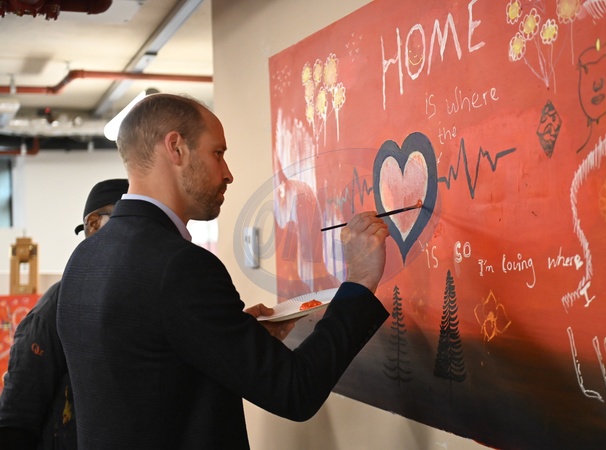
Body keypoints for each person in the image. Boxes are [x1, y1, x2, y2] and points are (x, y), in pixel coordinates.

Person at [56, 93, 390, 449]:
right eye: (218, 153)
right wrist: (359, 281)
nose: (228, 174)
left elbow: (149, 368)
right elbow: (295, 391)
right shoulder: (181, 266)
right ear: (176, 148)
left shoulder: (83, 258)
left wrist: (233, 338)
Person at [0, 178, 130, 449]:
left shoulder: (143, 297)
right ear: (94, 224)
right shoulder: (56, 307)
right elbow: (16, 419)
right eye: (130, 220)